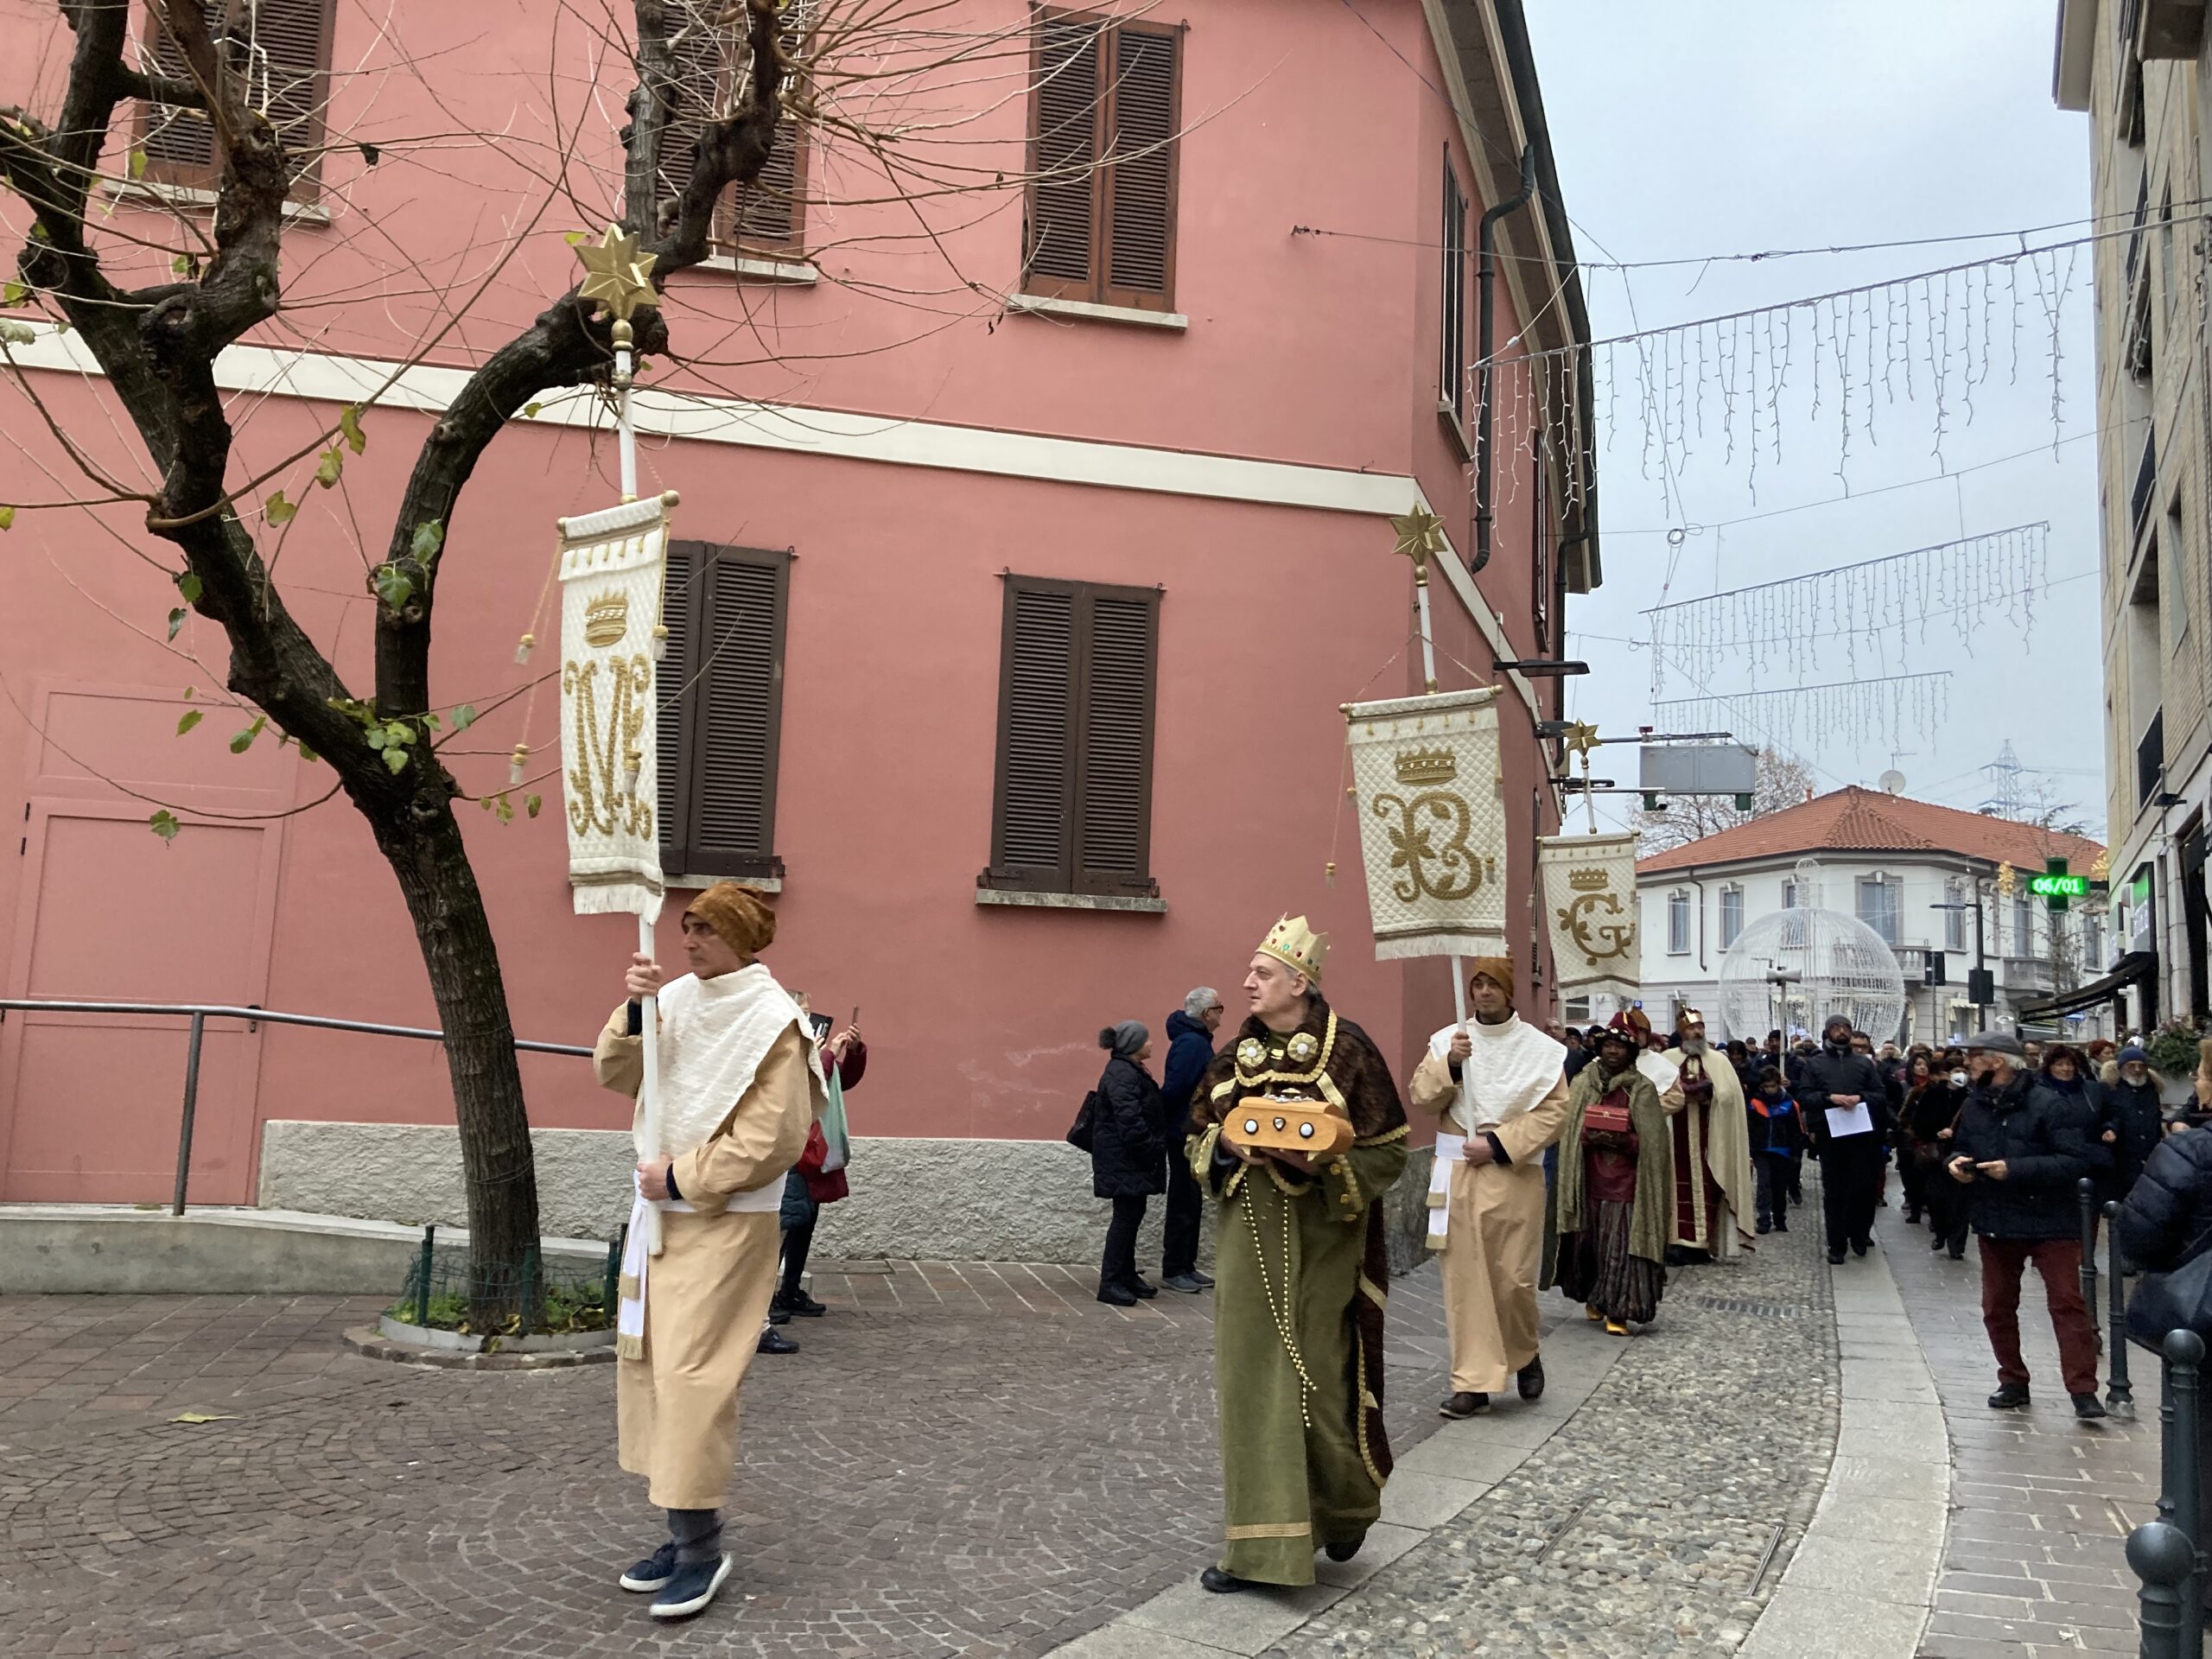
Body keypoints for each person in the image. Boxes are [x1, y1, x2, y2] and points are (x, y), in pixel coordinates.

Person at [593, 882, 823, 1621]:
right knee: (655, 1370)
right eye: (684, 926)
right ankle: (680, 1527)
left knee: (694, 1378)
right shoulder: (679, 998)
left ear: (738, 937)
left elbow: (774, 1138)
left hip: (723, 1222)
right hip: (660, 1214)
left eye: (701, 930)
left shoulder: (773, 1021)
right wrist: (636, 1011)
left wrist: (684, 1176)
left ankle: (700, 1550)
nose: (685, 940)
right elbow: (619, 1074)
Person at [1186, 916, 1408, 1594]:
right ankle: (1258, 1553)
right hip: (1247, 1247)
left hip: (1322, 1249)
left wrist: (1318, 1166)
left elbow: (1390, 1150)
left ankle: (1344, 1507)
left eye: (1261, 974)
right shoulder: (1229, 1061)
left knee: (1320, 1384)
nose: (1247, 983)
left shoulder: (1352, 1053)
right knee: (1253, 1389)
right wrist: (1227, 1148)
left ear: (1299, 983)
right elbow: (1197, 1135)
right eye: (1251, 972)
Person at [1408, 957, 1568, 1419]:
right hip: (1458, 1172)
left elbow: (1554, 1113)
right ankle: (1473, 1383)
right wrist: (1451, 1066)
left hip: (1513, 1174)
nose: (1483, 992)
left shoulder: (1539, 1050)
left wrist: (1499, 1143)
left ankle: (1524, 1351)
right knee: (1466, 1280)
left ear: (1509, 991)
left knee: (1513, 1279)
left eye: (1492, 984)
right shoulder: (1448, 1040)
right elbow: (1422, 1096)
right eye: (1476, 984)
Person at [1946, 1030, 2102, 1419]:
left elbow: (2074, 1160)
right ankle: (2012, 1380)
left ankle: (2083, 1390)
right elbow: (1961, 1144)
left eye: (1974, 1056)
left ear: (1997, 1061)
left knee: (2067, 1304)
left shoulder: (2050, 1103)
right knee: (1997, 1306)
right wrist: (1957, 1162)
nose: (1968, 1063)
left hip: (2052, 1220)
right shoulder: (1975, 1105)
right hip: (1996, 1218)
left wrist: (2014, 1169)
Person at [1546, 1015, 1671, 1335]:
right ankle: (1595, 1297)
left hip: (1628, 1183)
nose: (1614, 1052)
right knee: (1591, 1243)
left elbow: (1654, 1143)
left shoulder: (1642, 1089)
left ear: (1630, 1053)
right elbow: (1570, 1129)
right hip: (1588, 1178)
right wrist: (1589, 1137)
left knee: (1621, 1245)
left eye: (1620, 1047)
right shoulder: (1583, 1083)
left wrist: (1625, 1139)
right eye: (1609, 1046)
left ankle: (1619, 1308)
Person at [764, 998, 864, 1348]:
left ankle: (789, 1291)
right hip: (791, 1147)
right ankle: (763, 1304)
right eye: (803, 1009)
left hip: (812, 1148)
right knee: (785, 1223)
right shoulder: (781, 1040)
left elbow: (837, 1082)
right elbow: (800, 1082)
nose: (809, 1014)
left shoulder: (810, 1044)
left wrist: (852, 1052)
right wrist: (826, 1055)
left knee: (805, 1220)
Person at [1657, 1008, 1757, 1262]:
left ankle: (1705, 1243)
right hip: (1672, 1139)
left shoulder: (1719, 1061)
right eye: (1692, 1028)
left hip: (1712, 1139)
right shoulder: (1666, 1059)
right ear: (1682, 1032)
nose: (1698, 1031)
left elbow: (1731, 1097)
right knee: (1674, 1187)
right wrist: (1682, 1094)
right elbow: (1655, 1095)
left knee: (1710, 1185)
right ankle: (1676, 1242)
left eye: (1701, 1026)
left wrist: (1710, 1094)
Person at [1797, 1014, 1895, 1265]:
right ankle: (1836, 1244)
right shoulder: (1815, 1064)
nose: (1841, 1032)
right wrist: (1830, 1099)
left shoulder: (1863, 1064)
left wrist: (1859, 1098)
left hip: (1863, 1136)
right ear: (1827, 1032)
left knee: (1863, 1189)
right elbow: (1806, 1096)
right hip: (1831, 1136)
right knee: (1835, 1192)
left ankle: (1860, 1235)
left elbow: (1880, 1096)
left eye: (1845, 1028)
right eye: (1836, 1028)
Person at [1090, 1021, 1167, 1306]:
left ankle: (1125, 1275)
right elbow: (1129, 1120)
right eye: (1146, 1039)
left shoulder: (1128, 1069)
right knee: (1124, 1220)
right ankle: (1110, 1282)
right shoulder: (1123, 1073)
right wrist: (1151, 1149)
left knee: (1132, 1216)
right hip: (1126, 1159)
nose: (1151, 1044)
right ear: (1134, 1044)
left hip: (1129, 1160)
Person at [1159, 988, 1225, 1294]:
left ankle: (1186, 1265)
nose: (1221, 1015)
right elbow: (1174, 1090)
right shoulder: (1191, 1044)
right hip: (1183, 1132)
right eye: (1219, 1008)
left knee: (1192, 1198)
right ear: (1206, 1013)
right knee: (1183, 1200)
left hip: (1191, 1129)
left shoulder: (1195, 1041)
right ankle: (1175, 1268)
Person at [1902, 1055, 1972, 1260]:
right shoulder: (1931, 1095)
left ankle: (1956, 1244)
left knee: (1960, 1201)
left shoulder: (1971, 1097)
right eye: (1957, 1071)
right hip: (1937, 1155)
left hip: (1963, 1153)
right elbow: (1917, 1123)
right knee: (1937, 1197)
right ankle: (1941, 1232)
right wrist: (1936, 1133)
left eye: (1964, 1071)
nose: (1962, 1076)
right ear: (1945, 1074)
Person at [2039, 1045, 2114, 1226]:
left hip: (2090, 1161)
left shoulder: (2092, 1090)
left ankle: (2087, 1253)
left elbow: (2110, 1114)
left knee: (2089, 1216)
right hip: (2055, 1161)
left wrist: (2110, 1128)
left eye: (2069, 1064)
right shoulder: (2039, 1091)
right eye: (2059, 1064)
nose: (2065, 1069)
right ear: (2050, 1066)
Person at [2105, 1046, 2167, 1211]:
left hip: (2150, 1155)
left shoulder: (2151, 1089)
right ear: (2121, 1068)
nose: (2137, 1070)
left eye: (2141, 1065)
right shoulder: (2111, 1089)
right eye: (2131, 1065)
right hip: (2123, 1158)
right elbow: (2110, 1115)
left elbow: (2155, 1116)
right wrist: (2110, 1129)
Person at [1745, 1065, 1802, 1234]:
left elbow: (1796, 1130)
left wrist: (1796, 1153)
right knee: (1763, 1184)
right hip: (1761, 1150)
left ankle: (1779, 1218)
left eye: (1773, 1086)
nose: (1770, 1090)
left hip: (1783, 1150)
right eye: (1766, 1087)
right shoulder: (1755, 1103)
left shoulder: (1790, 1103)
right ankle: (1763, 1219)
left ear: (1779, 1085)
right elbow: (1750, 1127)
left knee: (1779, 1186)